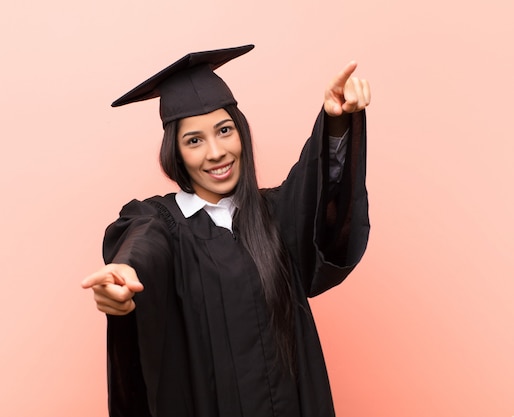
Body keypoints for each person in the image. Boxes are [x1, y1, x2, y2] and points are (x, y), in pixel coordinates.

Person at [82, 44, 370, 417]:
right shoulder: (162, 222)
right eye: (194, 141)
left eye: (224, 130)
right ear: (177, 153)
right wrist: (126, 272)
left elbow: (322, 200)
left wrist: (335, 124)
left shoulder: (273, 214)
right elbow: (141, 246)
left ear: (241, 133)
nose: (216, 152)